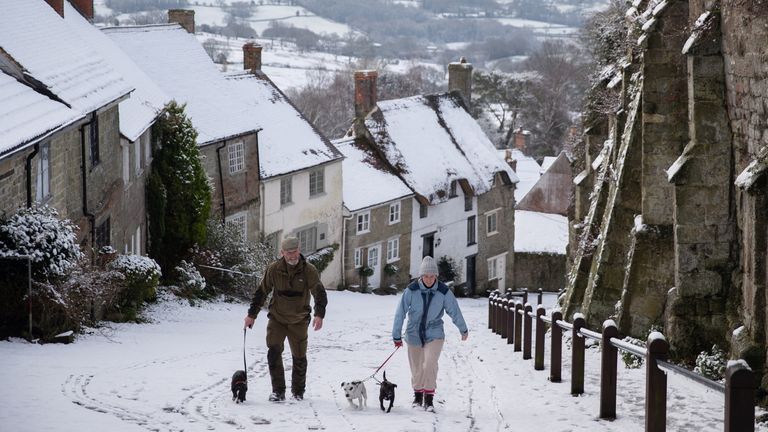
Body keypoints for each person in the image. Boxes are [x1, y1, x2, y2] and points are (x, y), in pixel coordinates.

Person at [244, 237, 327, 402]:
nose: (292, 256)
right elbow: (262, 291)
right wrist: (251, 315)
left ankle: (298, 392)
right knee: (273, 352)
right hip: (277, 319)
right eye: (288, 253)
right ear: (282, 253)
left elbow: (319, 292)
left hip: (299, 320)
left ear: (299, 250)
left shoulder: (308, 270)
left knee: (299, 356)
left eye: (295, 252)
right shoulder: (274, 269)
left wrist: (319, 314)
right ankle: (278, 391)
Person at [392, 256, 468, 412]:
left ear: (436, 276)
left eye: (431, 276)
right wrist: (396, 335)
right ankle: (418, 396)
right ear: (421, 276)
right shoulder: (411, 291)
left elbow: (454, 310)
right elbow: (400, 313)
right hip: (413, 333)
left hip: (435, 333)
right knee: (417, 368)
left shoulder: (443, 292)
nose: (428, 279)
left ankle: (429, 399)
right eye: (425, 276)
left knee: (429, 364)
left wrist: (463, 328)